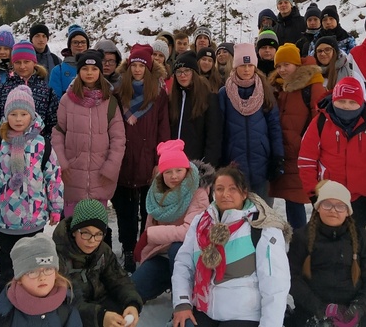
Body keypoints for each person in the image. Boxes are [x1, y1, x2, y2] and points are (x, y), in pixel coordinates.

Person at [171, 165, 291, 327]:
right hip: (204, 309)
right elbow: (183, 264)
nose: (225, 194)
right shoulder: (201, 222)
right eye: (219, 189)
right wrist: (182, 303)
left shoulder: (262, 227)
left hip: (245, 315)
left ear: (244, 193)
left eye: (232, 189)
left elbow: (276, 285)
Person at [0, 84, 63, 279]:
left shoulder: (41, 144)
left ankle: (30, 300)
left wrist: (56, 208)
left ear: (31, 116)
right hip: (5, 219)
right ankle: (9, 301)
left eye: (23, 114)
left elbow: (53, 178)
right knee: (9, 266)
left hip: (35, 218)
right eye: (13, 114)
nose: (18, 119)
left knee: (32, 265)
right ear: (6, 116)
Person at [298, 77, 366, 245]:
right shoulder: (320, 122)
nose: (346, 106)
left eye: (352, 102)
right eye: (341, 101)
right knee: (327, 248)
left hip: (364, 198)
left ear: (361, 102)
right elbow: (306, 160)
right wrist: (313, 193)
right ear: (334, 100)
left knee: (363, 248)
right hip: (329, 198)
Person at [288, 180, 366, 327]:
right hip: (312, 309)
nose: (333, 210)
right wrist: (319, 308)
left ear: (347, 211)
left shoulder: (360, 237)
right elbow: (292, 278)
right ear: (318, 207)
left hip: (351, 310)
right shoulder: (302, 237)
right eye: (327, 204)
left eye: (340, 206)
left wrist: (359, 308)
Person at [131, 140, 211, 302]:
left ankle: (183, 298)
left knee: (177, 248)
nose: (174, 176)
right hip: (161, 254)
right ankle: (167, 278)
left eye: (179, 170)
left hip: (190, 255)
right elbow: (150, 226)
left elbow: (189, 231)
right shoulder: (156, 193)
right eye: (168, 172)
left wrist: (150, 235)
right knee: (133, 290)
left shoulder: (198, 193)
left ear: (187, 170)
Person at [113, 43, 170, 272]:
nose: (137, 70)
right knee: (126, 211)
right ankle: (128, 249)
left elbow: (163, 129)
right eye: (134, 65)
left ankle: (144, 250)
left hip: (149, 161)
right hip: (124, 160)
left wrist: (160, 161)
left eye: (141, 66)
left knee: (148, 212)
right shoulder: (118, 94)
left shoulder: (157, 95)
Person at [52, 50, 127, 217]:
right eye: (85, 69)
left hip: (100, 177)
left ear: (100, 71)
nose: (90, 73)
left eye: (94, 69)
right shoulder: (67, 100)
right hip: (72, 175)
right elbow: (58, 134)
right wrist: (62, 163)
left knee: (95, 230)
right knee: (73, 227)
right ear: (79, 72)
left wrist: (111, 168)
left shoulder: (110, 101)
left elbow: (118, 139)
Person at [54, 199, 143, 327]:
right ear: (74, 231)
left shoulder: (102, 250)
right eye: (86, 233)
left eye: (98, 234)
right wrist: (99, 316)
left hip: (100, 304)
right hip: (73, 313)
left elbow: (119, 279)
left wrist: (132, 303)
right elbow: (67, 300)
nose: (92, 240)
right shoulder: (58, 256)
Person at [268, 43, 328, 230]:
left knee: (298, 200)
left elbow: (321, 121)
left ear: (297, 64)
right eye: (278, 66)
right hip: (285, 152)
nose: (282, 70)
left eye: (286, 64)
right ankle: (299, 242)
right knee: (291, 199)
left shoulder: (312, 86)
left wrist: (309, 147)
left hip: (302, 154)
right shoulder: (279, 87)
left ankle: (304, 243)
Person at [218, 43, 283, 205]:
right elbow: (220, 130)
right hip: (234, 164)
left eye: (250, 65)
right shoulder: (224, 93)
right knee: (237, 215)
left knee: (263, 214)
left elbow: (274, 126)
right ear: (235, 67)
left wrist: (278, 156)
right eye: (242, 65)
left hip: (262, 163)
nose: (246, 69)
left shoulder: (265, 90)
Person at [0, 233, 83, 327]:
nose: (42, 277)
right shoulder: (3, 311)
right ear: (19, 278)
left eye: (48, 269)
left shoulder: (67, 305)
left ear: (56, 274)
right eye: (32, 272)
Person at [0, 40, 60, 139]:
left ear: (34, 62)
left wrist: (42, 145)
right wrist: (0, 143)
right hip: (6, 148)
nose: (22, 66)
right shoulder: (4, 89)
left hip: (37, 150)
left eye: (26, 62)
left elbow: (53, 124)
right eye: (18, 62)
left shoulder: (46, 91)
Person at [169, 52, 222, 167]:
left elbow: (214, 137)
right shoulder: (172, 99)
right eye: (179, 71)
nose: (183, 75)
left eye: (187, 70)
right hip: (174, 164)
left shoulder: (208, 98)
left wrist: (207, 165)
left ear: (194, 72)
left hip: (197, 164)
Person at [50, 24, 90, 98]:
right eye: (75, 42)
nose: (80, 45)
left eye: (83, 42)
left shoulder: (95, 68)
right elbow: (55, 101)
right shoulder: (58, 71)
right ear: (69, 46)